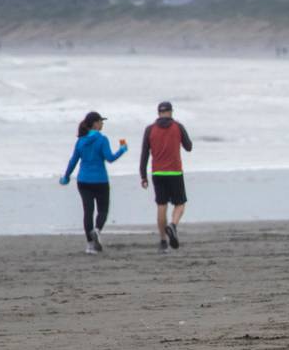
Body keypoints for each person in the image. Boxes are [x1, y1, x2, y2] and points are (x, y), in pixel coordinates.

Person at [59, 111, 128, 254]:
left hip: (83, 180)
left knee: (88, 212)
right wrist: (122, 150)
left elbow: (73, 161)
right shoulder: (102, 139)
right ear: (95, 123)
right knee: (103, 210)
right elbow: (110, 158)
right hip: (100, 180)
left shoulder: (81, 141)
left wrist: (66, 176)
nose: (102, 124)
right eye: (101, 121)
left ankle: (90, 245)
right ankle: (97, 230)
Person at [139, 100, 194, 253]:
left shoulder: (150, 129)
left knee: (161, 206)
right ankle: (173, 225)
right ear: (170, 112)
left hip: (157, 173)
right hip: (175, 172)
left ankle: (163, 241)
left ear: (158, 113)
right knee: (180, 204)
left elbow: (144, 154)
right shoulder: (178, 126)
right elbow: (189, 147)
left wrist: (143, 176)